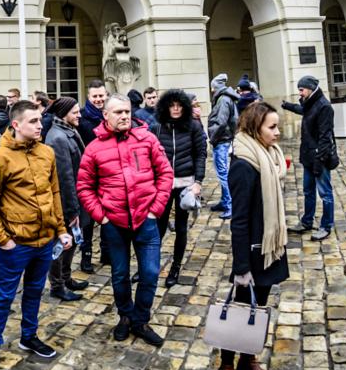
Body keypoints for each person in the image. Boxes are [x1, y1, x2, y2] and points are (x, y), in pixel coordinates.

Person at [0, 101, 73, 370]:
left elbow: (54, 193)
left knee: (34, 291)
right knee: (4, 297)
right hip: (15, 244)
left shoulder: (47, 153)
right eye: (33, 121)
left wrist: (61, 230)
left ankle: (28, 336)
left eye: (40, 120)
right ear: (16, 124)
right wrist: (2, 238)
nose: (40, 125)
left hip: (44, 241)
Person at [77, 94, 172, 347]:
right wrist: (102, 217)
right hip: (114, 224)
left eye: (127, 112)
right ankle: (125, 316)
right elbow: (85, 187)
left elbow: (165, 173)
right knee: (119, 275)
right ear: (105, 115)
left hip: (146, 219)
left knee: (150, 273)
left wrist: (155, 209)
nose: (124, 116)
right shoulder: (94, 148)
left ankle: (140, 320)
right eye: (118, 112)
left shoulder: (147, 139)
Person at [216, 101, 288, 370]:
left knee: (258, 311)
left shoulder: (269, 156)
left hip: (269, 248)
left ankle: (248, 359)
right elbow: (239, 221)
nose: (278, 133)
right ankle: (227, 367)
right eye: (272, 127)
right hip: (253, 252)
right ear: (254, 128)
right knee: (240, 312)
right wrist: (241, 267)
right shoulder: (244, 164)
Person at [151, 89, 207, 287]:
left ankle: (175, 266)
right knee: (158, 227)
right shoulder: (156, 127)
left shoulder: (193, 127)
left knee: (181, 228)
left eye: (179, 105)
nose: (175, 109)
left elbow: (201, 154)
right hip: (163, 185)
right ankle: (151, 266)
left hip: (185, 184)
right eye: (172, 105)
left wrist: (198, 182)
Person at [42, 97, 87, 301]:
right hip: (67, 201)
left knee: (73, 241)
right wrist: (71, 210)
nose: (79, 115)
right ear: (64, 113)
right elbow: (64, 177)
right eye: (75, 112)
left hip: (76, 197)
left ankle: (66, 278)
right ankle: (57, 285)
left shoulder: (68, 130)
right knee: (61, 244)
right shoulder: (57, 137)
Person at [282, 75, 337, 241]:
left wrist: (320, 161)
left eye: (301, 90)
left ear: (310, 89)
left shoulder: (324, 106)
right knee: (308, 191)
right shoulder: (311, 103)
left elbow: (325, 138)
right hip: (308, 156)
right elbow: (304, 111)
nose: (300, 93)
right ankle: (307, 221)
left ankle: (326, 225)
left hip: (319, 157)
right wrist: (288, 106)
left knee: (325, 193)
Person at [77, 79, 108, 273]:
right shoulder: (81, 117)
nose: (98, 99)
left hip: (107, 174)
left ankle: (106, 252)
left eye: (101, 96)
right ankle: (86, 255)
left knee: (108, 216)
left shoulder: (110, 115)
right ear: (89, 97)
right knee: (87, 221)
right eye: (95, 96)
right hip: (88, 175)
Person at [208, 73, 240, 220]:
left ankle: (230, 205)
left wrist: (213, 137)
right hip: (224, 139)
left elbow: (221, 122)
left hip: (222, 140)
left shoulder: (223, 100)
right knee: (223, 173)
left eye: (213, 87)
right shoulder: (226, 98)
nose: (212, 90)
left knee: (223, 174)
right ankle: (224, 201)